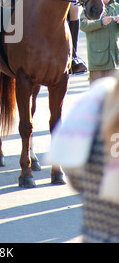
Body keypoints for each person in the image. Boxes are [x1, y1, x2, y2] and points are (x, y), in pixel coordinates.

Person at [48, 72, 119, 243]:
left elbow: (75, 180)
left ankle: (73, 58)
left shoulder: (89, 133)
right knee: (3, 43)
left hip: (94, 234)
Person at [80, 0, 119, 84]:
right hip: (98, 62)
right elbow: (83, 25)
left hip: (115, 61)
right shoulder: (90, 7)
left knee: (114, 99)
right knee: (97, 97)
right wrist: (100, 23)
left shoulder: (117, 7)